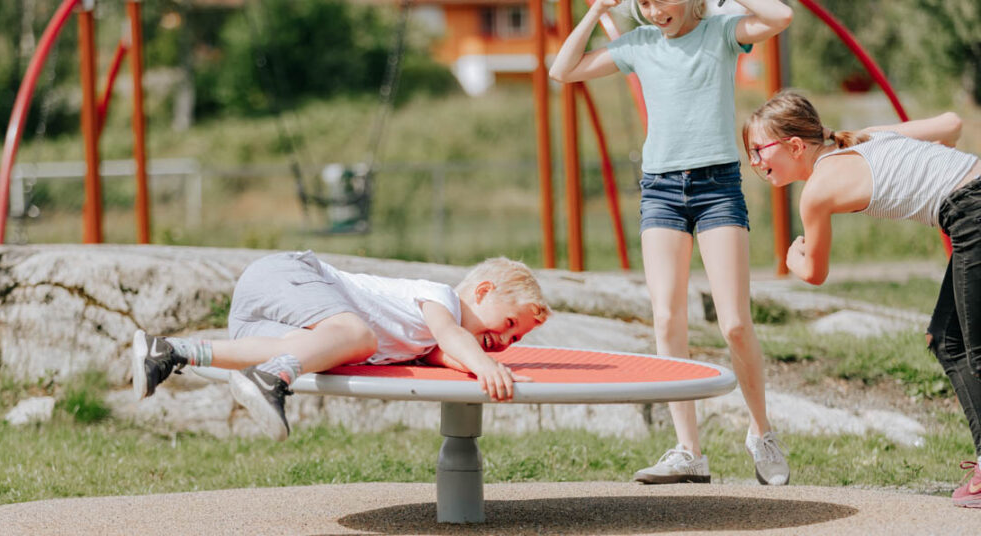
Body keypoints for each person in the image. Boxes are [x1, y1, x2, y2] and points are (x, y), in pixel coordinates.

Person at [549, 0, 793, 485]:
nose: (654, 10)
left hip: (717, 186)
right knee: (666, 317)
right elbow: (563, 70)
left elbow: (780, 16)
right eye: (644, 2)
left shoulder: (722, 32)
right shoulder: (638, 44)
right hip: (660, 189)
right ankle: (688, 451)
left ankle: (761, 432)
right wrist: (596, 8)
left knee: (735, 324)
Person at [743, 90, 981, 507]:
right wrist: (931, 165)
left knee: (975, 352)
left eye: (760, 151)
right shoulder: (867, 136)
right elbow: (951, 124)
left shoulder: (817, 191)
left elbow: (814, 273)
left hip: (971, 213)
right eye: (750, 154)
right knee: (946, 340)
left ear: (796, 146)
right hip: (970, 206)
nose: (756, 163)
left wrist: (792, 255)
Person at [131, 251, 551, 442]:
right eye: (510, 322)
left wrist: (479, 364)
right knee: (358, 335)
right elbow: (454, 340)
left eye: (515, 339)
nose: (506, 340)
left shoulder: (426, 341)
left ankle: (171, 352)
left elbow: (449, 354)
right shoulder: (440, 298)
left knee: (310, 345)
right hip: (286, 274)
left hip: (265, 317)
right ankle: (274, 378)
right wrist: (487, 367)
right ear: (481, 290)